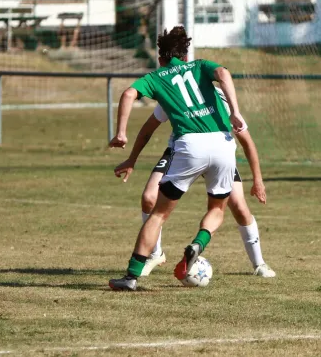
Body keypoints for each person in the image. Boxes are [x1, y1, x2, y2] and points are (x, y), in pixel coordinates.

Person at [107, 26, 249, 291]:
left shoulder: (157, 76)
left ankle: (131, 276)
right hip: (223, 143)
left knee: (159, 214)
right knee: (217, 208)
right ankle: (198, 243)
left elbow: (128, 94)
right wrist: (236, 112)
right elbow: (223, 73)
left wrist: (121, 133)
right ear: (185, 55)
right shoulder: (201, 65)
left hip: (189, 145)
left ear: (161, 58)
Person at [113, 89, 276, 278]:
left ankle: (259, 263)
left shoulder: (221, 97)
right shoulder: (175, 92)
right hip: (184, 152)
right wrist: (132, 159)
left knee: (239, 206)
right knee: (149, 197)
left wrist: (258, 180)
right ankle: (155, 254)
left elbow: (247, 141)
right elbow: (149, 127)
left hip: (217, 152)